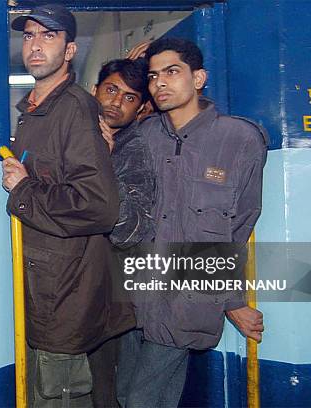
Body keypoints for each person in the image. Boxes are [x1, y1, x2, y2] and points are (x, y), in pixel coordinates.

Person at [117, 38, 268, 407]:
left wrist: (232, 300)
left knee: (140, 400)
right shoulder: (141, 137)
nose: (160, 83)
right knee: (125, 396)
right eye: (153, 76)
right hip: (133, 296)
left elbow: (240, 227)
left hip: (185, 299)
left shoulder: (240, 140)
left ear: (199, 78)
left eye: (172, 72)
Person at [3, 4, 135, 406]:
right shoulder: (34, 111)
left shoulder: (74, 108)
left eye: (49, 36)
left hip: (63, 297)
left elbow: (98, 205)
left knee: (57, 397)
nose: (36, 46)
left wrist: (22, 190)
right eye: (29, 36)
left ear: (71, 49)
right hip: (39, 289)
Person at [87, 58, 156, 408]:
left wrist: (106, 163)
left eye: (129, 97)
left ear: (141, 108)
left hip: (111, 296)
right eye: (111, 90)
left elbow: (131, 232)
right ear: (94, 90)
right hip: (59, 285)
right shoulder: (68, 133)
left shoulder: (135, 151)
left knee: (106, 390)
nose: (116, 101)